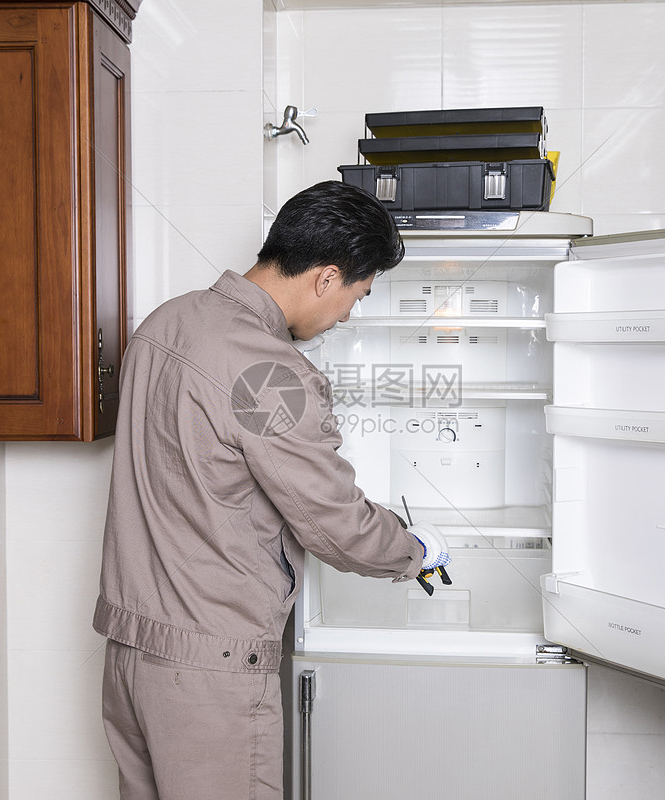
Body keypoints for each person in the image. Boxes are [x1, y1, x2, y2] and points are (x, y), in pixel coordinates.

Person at [93, 180, 451, 800]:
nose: (347, 316)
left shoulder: (164, 322)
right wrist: (415, 549)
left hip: (130, 649)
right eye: (356, 296)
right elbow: (335, 523)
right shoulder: (269, 371)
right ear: (327, 277)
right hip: (210, 671)